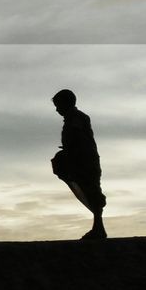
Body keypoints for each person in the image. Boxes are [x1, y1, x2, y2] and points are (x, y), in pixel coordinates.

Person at [50, 89, 106, 240]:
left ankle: (99, 228)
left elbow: (77, 137)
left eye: (58, 105)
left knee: (92, 191)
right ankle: (98, 227)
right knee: (90, 190)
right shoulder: (73, 118)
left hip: (85, 161)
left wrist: (69, 150)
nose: (57, 109)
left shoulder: (77, 118)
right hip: (82, 160)